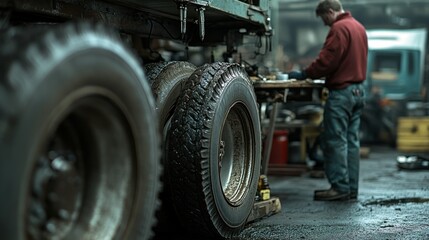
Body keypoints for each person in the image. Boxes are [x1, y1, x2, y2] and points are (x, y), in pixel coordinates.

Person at [288, 0, 368, 201]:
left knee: (335, 140)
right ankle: (351, 188)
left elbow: (327, 60)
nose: (325, 23)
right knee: (351, 142)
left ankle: (339, 187)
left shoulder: (339, 28)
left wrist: (305, 73)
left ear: (330, 12)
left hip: (341, 93)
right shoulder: (358, 27)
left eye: (324, 18)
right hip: (358, 91)